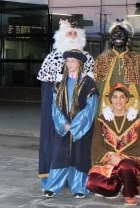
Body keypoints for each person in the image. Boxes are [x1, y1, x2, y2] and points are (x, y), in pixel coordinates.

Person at [93, 19, 140, 189]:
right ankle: (107, 180)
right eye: (114, 34)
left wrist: (134, 108)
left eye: (121, 33)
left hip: (132, 113)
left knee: (134, 143)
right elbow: (98, 86)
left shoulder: (137, 59)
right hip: (107, 112)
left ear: (128, 37)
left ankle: (132, 178)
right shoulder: (102, 58)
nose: (117, 36)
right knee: (106, 142)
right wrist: (105, 107)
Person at [37, 18, 95, 188]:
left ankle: (77, 179)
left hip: (80, 111)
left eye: (75, 33)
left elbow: (91, 87)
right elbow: (47, 91)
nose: (72, 36)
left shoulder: (87, 58)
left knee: (80, 144)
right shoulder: (52, 57)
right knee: (56, 141)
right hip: (58, 111)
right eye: (68, 32)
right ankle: (53, 177)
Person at [43, 49, 98, 199]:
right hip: (63, 128)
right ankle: (53, 186)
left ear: (80, 63)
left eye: (72, 61)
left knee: (80, 156)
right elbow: (54, 105)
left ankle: (79, 187)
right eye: (67, 61)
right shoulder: (60, 82)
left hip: (82, 128)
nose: (69, 64)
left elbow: (91, 107)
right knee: (59, 155)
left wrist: (75, 126)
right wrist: (64, 124)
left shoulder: (88, 82)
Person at [87, 83, 140, 206]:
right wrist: (109, 156)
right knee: (92, 182)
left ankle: (129, 193)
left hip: (129, 165)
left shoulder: (137, 119)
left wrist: (121, 159)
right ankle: (116, 186)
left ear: (127, 99)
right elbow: (96, 144)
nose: (118, 100)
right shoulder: (102, 120)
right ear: (110, 100)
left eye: (122, 97)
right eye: (115, 97)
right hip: (109, 164)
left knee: (125, 166)